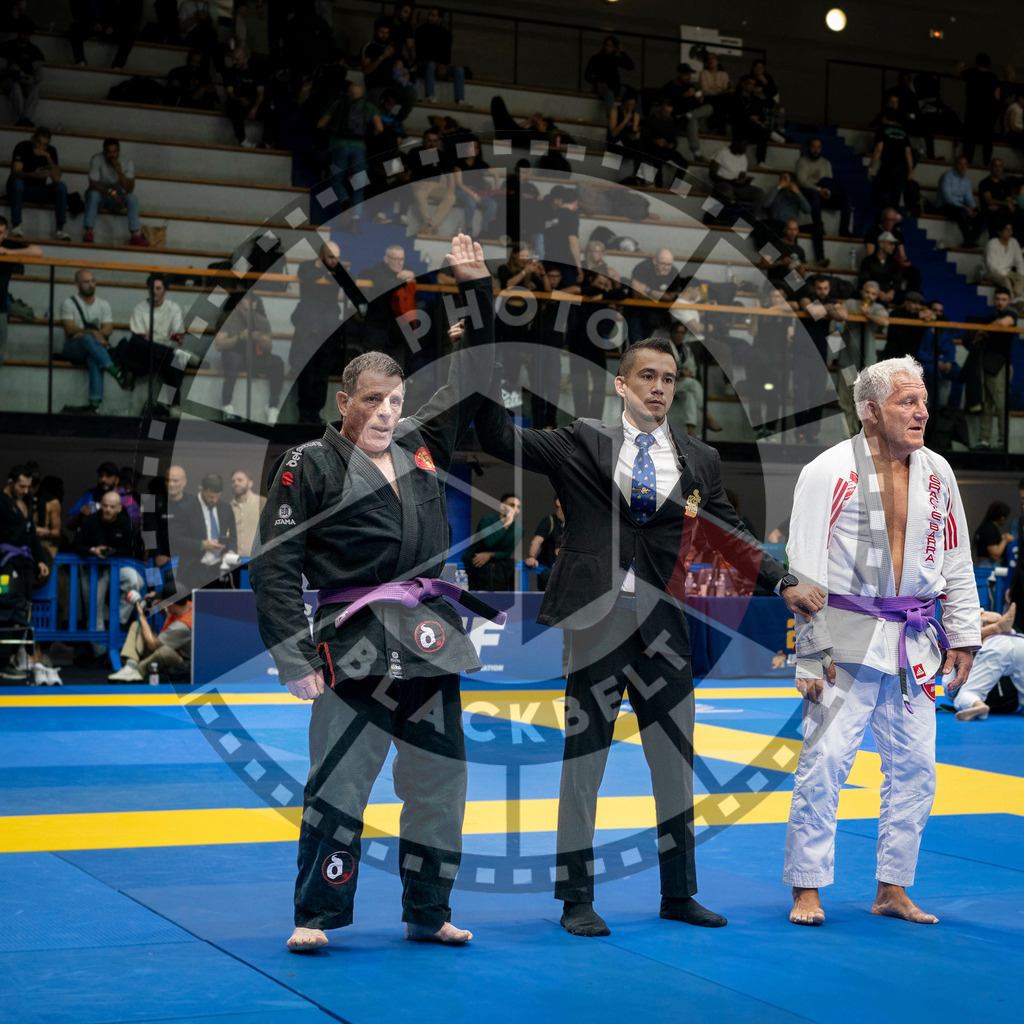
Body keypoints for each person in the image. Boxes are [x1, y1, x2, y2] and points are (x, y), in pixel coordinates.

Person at [473, 335, 825, 937]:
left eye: (667, 378)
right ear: (622, 384)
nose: (659, 387)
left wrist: (782, 578)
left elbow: (729, 532)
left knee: (674, 765)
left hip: (665, 627)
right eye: (647, 377)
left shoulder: (699, 459)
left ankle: (678, 892)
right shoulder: (578, 442)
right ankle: (575, 900)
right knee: (583, 765)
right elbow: (498, 439)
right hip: (596, 624)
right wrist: (483, 356)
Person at [249, 233, 495, 952]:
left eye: (395, 398)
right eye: (373, 400)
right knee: (341, 782)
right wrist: (294, 655)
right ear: (345, 401)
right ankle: (317, 915)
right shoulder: (310, 463)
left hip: (428, 634)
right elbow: (273, 563)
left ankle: (428, 910)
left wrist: (475, 288)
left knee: (439, 789)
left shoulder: (423, 444)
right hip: (350, 641)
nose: (387, 411)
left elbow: (475, 375)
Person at [784, 356, 978, 927]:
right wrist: (809, 654)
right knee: (823, 765)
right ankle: (807, 887)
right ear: (870, 411)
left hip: (914, 640)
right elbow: (804, 571)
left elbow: (956, 557)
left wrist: (965, 635)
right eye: (906, 403)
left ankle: (892, 887)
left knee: (917, 769)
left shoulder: (937, 472)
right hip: (843, 635)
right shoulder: (827, 471)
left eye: (922, 402)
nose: (921, 413)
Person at [0, 464, 49, 681]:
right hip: (3, 566)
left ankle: (9, 660)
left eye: (28, 487)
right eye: (21, 486)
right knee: (4, 605)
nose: (25, 491)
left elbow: (32, 536)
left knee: (22, 610)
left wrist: (40, 560)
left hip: (23, 565)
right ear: (10, 482)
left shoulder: (28, 502)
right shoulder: (1, 502)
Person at [291, 242, 345, 424]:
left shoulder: (338, 269)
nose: (335, 261)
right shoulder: (308, 265)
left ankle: (316, 413)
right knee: (307, 373)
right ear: (321, 256)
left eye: (337, 257)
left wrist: (331, 274)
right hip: (308, 329)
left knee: (322, 375)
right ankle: (304, 413)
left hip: (327, 330)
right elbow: (305, 275)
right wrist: (325, 273)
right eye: (331, 257)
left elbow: (350, 281)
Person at [59, 269, 126, 414]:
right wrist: (93, 333)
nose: (90, 285)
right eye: (86, 282)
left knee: (93, 357)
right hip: (73, 348)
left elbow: (109, 329)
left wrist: (88, 333)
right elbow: (69, 329)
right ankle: (115, 372)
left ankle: (94, 404)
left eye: (92, 281)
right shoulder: (68, 303)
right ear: (77, 284)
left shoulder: (103, 304)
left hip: (93, 349)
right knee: (88, 339)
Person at [214, 293, 283, 425]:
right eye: (246, 310)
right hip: (234, 356)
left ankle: (272, 407)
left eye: (252, 310)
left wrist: (260, 339)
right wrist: (240, 337)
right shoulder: (228, 318)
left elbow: (268, 347)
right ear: (237, 306)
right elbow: (219, 345)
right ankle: (227, 405)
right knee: (234, 359)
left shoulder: (260, 320)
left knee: (277, 362)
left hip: (255, 358)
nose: (249, 313)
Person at [109, 579, 193, 683]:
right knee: (137, 626)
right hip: (172, 646)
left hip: (183, 662)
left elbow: (152, 645)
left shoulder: (181, 626)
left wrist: (142, 616)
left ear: (171, 603)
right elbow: (168, 610)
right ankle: (130, 665)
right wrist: (156, 599)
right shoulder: (186, 604)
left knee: (165, 652)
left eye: (165, 602)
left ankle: (138, 670)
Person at [836, 280, 889, 434]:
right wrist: (855, 313)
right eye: (867, 292)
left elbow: (885, 321)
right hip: (847, 361)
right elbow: (839, 313)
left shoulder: (878, 308)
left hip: (869, 365)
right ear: (862, 291)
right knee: (846, 402)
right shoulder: (851, 303)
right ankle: (848, 436)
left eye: (873, 294)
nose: (869, 296)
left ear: (877, 296)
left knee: (867, 403)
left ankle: (866, 438)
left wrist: (868, 314)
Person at [951, 605, 1022, 720]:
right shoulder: (968, 626)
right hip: (1019, 641)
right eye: (981, 613)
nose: (983, 611)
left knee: (968, 694)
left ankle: (978, 705)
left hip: (998, 645)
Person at [968, 287, 1018, 449]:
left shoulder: (1011, 315)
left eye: (1004, 299)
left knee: (1000, 403)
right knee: (986, 403)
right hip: (985, 364)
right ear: (993, 300)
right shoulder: (989, 318)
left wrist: (983, 330)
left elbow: (1004, 323)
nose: (1000, 302)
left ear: (1009, 301)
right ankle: (985, 439)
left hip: (1000, 365)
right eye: (997, 299)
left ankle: (1003, 440)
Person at [177, 472, 237, 590]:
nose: (213, 500)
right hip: (195, 567)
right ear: (201, 489)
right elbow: (177, 539)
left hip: (219, 568)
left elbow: (232, 536)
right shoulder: (186, 508)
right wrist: (202, 544)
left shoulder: (226, 508)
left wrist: (231, 550)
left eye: (217, 496)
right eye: (210, 497)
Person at [6, 126, 69, 239]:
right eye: (39, 143)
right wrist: (32, 174)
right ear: (32, 139)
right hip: (21, 189)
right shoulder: (22, 147)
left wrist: (48, 157)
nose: (41, 146)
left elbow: (57, 178)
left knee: (61, 187)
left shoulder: (50, 151)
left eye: (45, 144)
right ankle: (16, 226)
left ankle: (60, 229)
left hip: (39, 189)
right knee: (17, 184)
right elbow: (15, 172)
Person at [82, 138, 146, 246]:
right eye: (109, 152)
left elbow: (130, 189)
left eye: (115, 151)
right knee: (93, 194)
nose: (112, 155)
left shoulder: (127, 162)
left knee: (132, 198)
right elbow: (93, 184)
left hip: (117, 198)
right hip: (102, 197)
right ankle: (88, 232)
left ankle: (134, 235)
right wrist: (111, 192)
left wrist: (119, 171)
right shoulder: (97, 159)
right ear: (104, 152)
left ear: (119, 151)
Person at [0, 215, 40, 368]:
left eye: (0, 232)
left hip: (0, 309)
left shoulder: (8, 246)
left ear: (5, 234)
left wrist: (8, 253)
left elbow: (37, 251)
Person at [463, 493, 521, 591]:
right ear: (502, 507)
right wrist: (506, 524)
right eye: (512, 505)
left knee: (508, 566)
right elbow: (489, 542)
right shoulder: (488, 519)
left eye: (518, 507)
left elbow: (506, 552)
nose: (515, 509)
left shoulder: (519, 529)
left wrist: (490, 555)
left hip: (497, 566)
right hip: (475, 561)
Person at [415, 6, 466, 106]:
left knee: (459, 70)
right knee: (431, 65)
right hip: (425, 63)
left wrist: (442, 64)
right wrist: (438, 63)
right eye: (429, 15)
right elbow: (422, 52)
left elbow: (446, 53)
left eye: (433, 15)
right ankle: (429, 94)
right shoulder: (422, 30)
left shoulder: (446, 34)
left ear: (440, 18)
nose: (430, 18)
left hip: (439, 63)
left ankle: (459, 99)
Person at [867, 105, 913, 211]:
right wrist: (910, 171)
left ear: (884, 117)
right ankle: (892, 217)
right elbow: (908, 153)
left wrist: (870, 167)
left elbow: (878, 149)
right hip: (903, 168)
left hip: (889, 166)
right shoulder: (903, 131)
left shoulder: (882, 129)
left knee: (876, 194)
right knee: (895, 197)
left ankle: (886, 213)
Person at [958, 52, 1001, 165]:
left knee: (970, 140)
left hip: (973, 112)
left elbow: (958, 75)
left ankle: (968, 161)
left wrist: (960, 66)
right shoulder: (992, 77)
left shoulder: (971, 73)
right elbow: (997, 96)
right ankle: (986, 163)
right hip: (987, 113)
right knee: (987, 141)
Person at [0, 18, 44, 126]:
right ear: (19, 32)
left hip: (25, 80)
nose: (25, 37)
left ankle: (27, 118)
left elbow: (38, 71)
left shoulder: (34, 51)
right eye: (24, 33)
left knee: (35, 88)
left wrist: (33, 79)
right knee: (15, 86)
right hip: (9, 79)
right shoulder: (6, 47)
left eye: (28, 34)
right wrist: (11, 69)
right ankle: (20, 119)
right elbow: (1, 69)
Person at [709, 136, 764, 218]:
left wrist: (744, 180)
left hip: (738, 186)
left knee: (759, 193)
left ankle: (754, 218)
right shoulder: (722, 152)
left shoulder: (743, 158)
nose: (745, 149)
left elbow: (742, 176)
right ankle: (724, 218)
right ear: (736, 143)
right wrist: (730, 181)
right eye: (744, 145)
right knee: (728, 191)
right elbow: (712, 174)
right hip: (722, 183)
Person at [224, 45, 264, 147]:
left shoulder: (256, 71)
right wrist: (239, 99)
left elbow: (261, 92)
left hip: (253, 103)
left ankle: (266, 142)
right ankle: (242, 139)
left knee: (270, 110)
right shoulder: (230, 72)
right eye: (233, 59)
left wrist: (255, 108)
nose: (234, 62)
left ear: (246, 58)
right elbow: (229, 93)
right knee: (232, 107)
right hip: (237, 102)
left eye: (237, 59)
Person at [937, 156, 983, 248]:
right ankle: (969, 240)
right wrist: (965, 208)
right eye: (960, 164)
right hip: (945, 206)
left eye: (965, 164)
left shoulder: (967, 181)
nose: (963, 167)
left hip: (960, 207)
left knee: (982, 217)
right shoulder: (947, 177)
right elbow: (948, 198)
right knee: (962, 212)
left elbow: (969, 199)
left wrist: (973, 209)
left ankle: (970, 241)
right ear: (955, 165)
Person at [584, 35, 634, 114]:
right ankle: (611, 117)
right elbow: (587, 75)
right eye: (606, 45)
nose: (608, 48)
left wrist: (622, 51)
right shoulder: (596, 58)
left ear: (614, 48)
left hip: (615, 87)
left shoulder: (615, 59)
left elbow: (630, 66)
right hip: (603, 87)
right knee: (609, 92)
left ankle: (637, 119)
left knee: (633, 92)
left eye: (610, 46)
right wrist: (597, 82)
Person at [525, 497, 563, 591]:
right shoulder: (549, 522)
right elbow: (536, 541)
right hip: (548, 571)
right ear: (558, 502)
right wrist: (531, 556)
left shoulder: (573, 523)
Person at [229, 469, 265, 558]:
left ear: (250, 483)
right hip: (234, 560)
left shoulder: (262, 503)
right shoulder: (228, 507)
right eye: (233, 481)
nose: (236, 483)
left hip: (257, 559)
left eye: (240, 480)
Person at [984, 220, 1024, 298]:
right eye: (1007, 230)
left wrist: (1020, 275)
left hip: (1008, 272)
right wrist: (1006, 275)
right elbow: (991, 265)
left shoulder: (1014, 242)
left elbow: (1019, 261)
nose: (1009, 232)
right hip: (992, 272)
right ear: (1000, 232)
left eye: (1011, 230)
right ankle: (1010, 301)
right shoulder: (992, 243)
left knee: (1022, 278)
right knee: (1005, 280)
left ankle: (1014, 298)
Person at [973, 500, 1013, 567]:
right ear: (1002, 517)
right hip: (989, 566)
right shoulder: (990, 530)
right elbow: (995, 554)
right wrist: (1005, 540)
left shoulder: (986, 527)